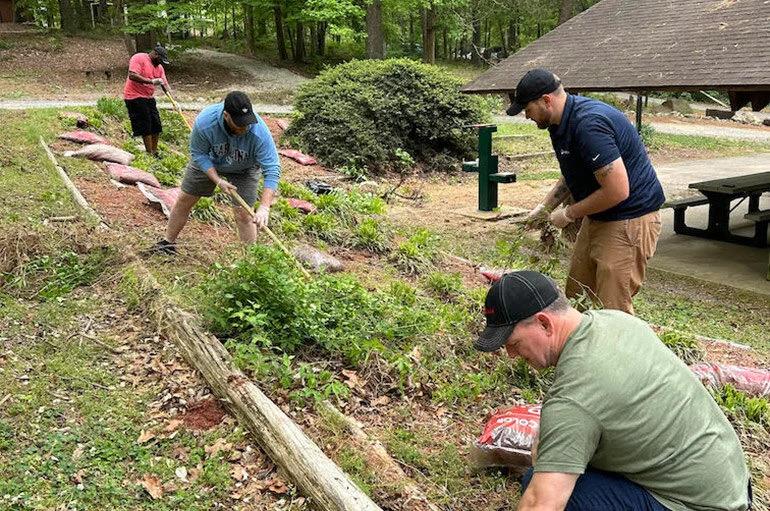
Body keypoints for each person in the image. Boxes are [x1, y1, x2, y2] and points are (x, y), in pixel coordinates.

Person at [475, 271, 752, 511]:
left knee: (542, 486)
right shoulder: (615, 322)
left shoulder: (574, 398)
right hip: (729, 482)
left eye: (512, 342)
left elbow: (543, 503)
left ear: (544, 323)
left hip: (695, 504)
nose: (510, 355)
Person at [510, 68, 665, 314]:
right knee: (578, 294)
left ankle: (616, 352)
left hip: (629, 219)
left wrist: (569, 214)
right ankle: (583, 349)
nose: (526, 116)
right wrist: (545, 208)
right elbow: (577, 172)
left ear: (546, 100)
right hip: (600, 215)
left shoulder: (588, 124)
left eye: (527, 109)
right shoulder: (558, 123)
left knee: (613, 309)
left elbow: (617, 190)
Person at [149, 91, 281, 255]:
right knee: (184, 200)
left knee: (244, 215)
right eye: (239, 124)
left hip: (245, 169)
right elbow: (198, 154)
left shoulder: (259, 132)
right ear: (226, 115)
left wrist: (264, 207)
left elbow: (272, 169)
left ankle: (250, 262)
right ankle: (167, 243)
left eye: (247, 123)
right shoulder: (205, 122)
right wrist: (217, 179)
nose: (245, 128)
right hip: (210, 162)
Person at [123, 43, 171, 157]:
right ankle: (149, 153)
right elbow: (132, 75)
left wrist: (173, 100)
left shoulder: (159, 67)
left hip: (148, 97)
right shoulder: (139, 58)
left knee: (156, 125)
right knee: (146, 125)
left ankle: (154, 152)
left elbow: (164, 84)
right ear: (155, 54)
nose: (160, 63)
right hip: (134, 96)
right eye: (160, 60)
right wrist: (151, 81)